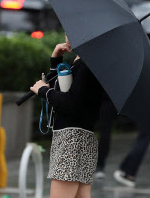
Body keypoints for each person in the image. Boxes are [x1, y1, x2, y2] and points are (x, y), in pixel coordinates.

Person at [30, 34, 103, 198]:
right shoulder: (85, 61)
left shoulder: (85, 65)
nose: (67, 35)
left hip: (71, 140)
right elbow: (64, 89)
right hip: (82, 138)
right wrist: (55, 61)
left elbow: (71, 103)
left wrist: (43, 90)